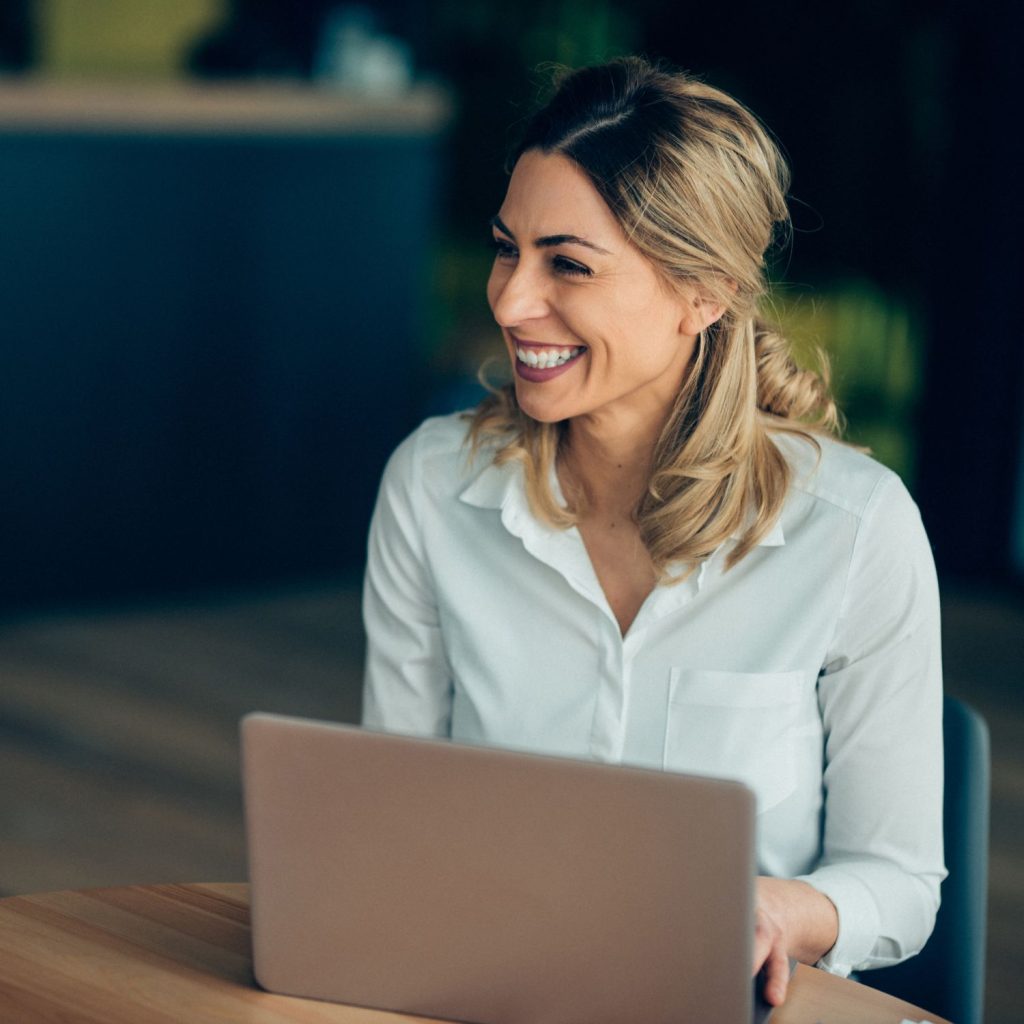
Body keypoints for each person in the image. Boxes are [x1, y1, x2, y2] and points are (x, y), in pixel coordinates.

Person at [362, 56, 945, 1007]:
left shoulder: (856, 529)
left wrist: (780, 912)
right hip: (484, 992)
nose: (509, 301)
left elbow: (899, 881)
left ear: (703, 292)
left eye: (569, 264)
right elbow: (388, 811)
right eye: (508, 248)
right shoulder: (431, 487)